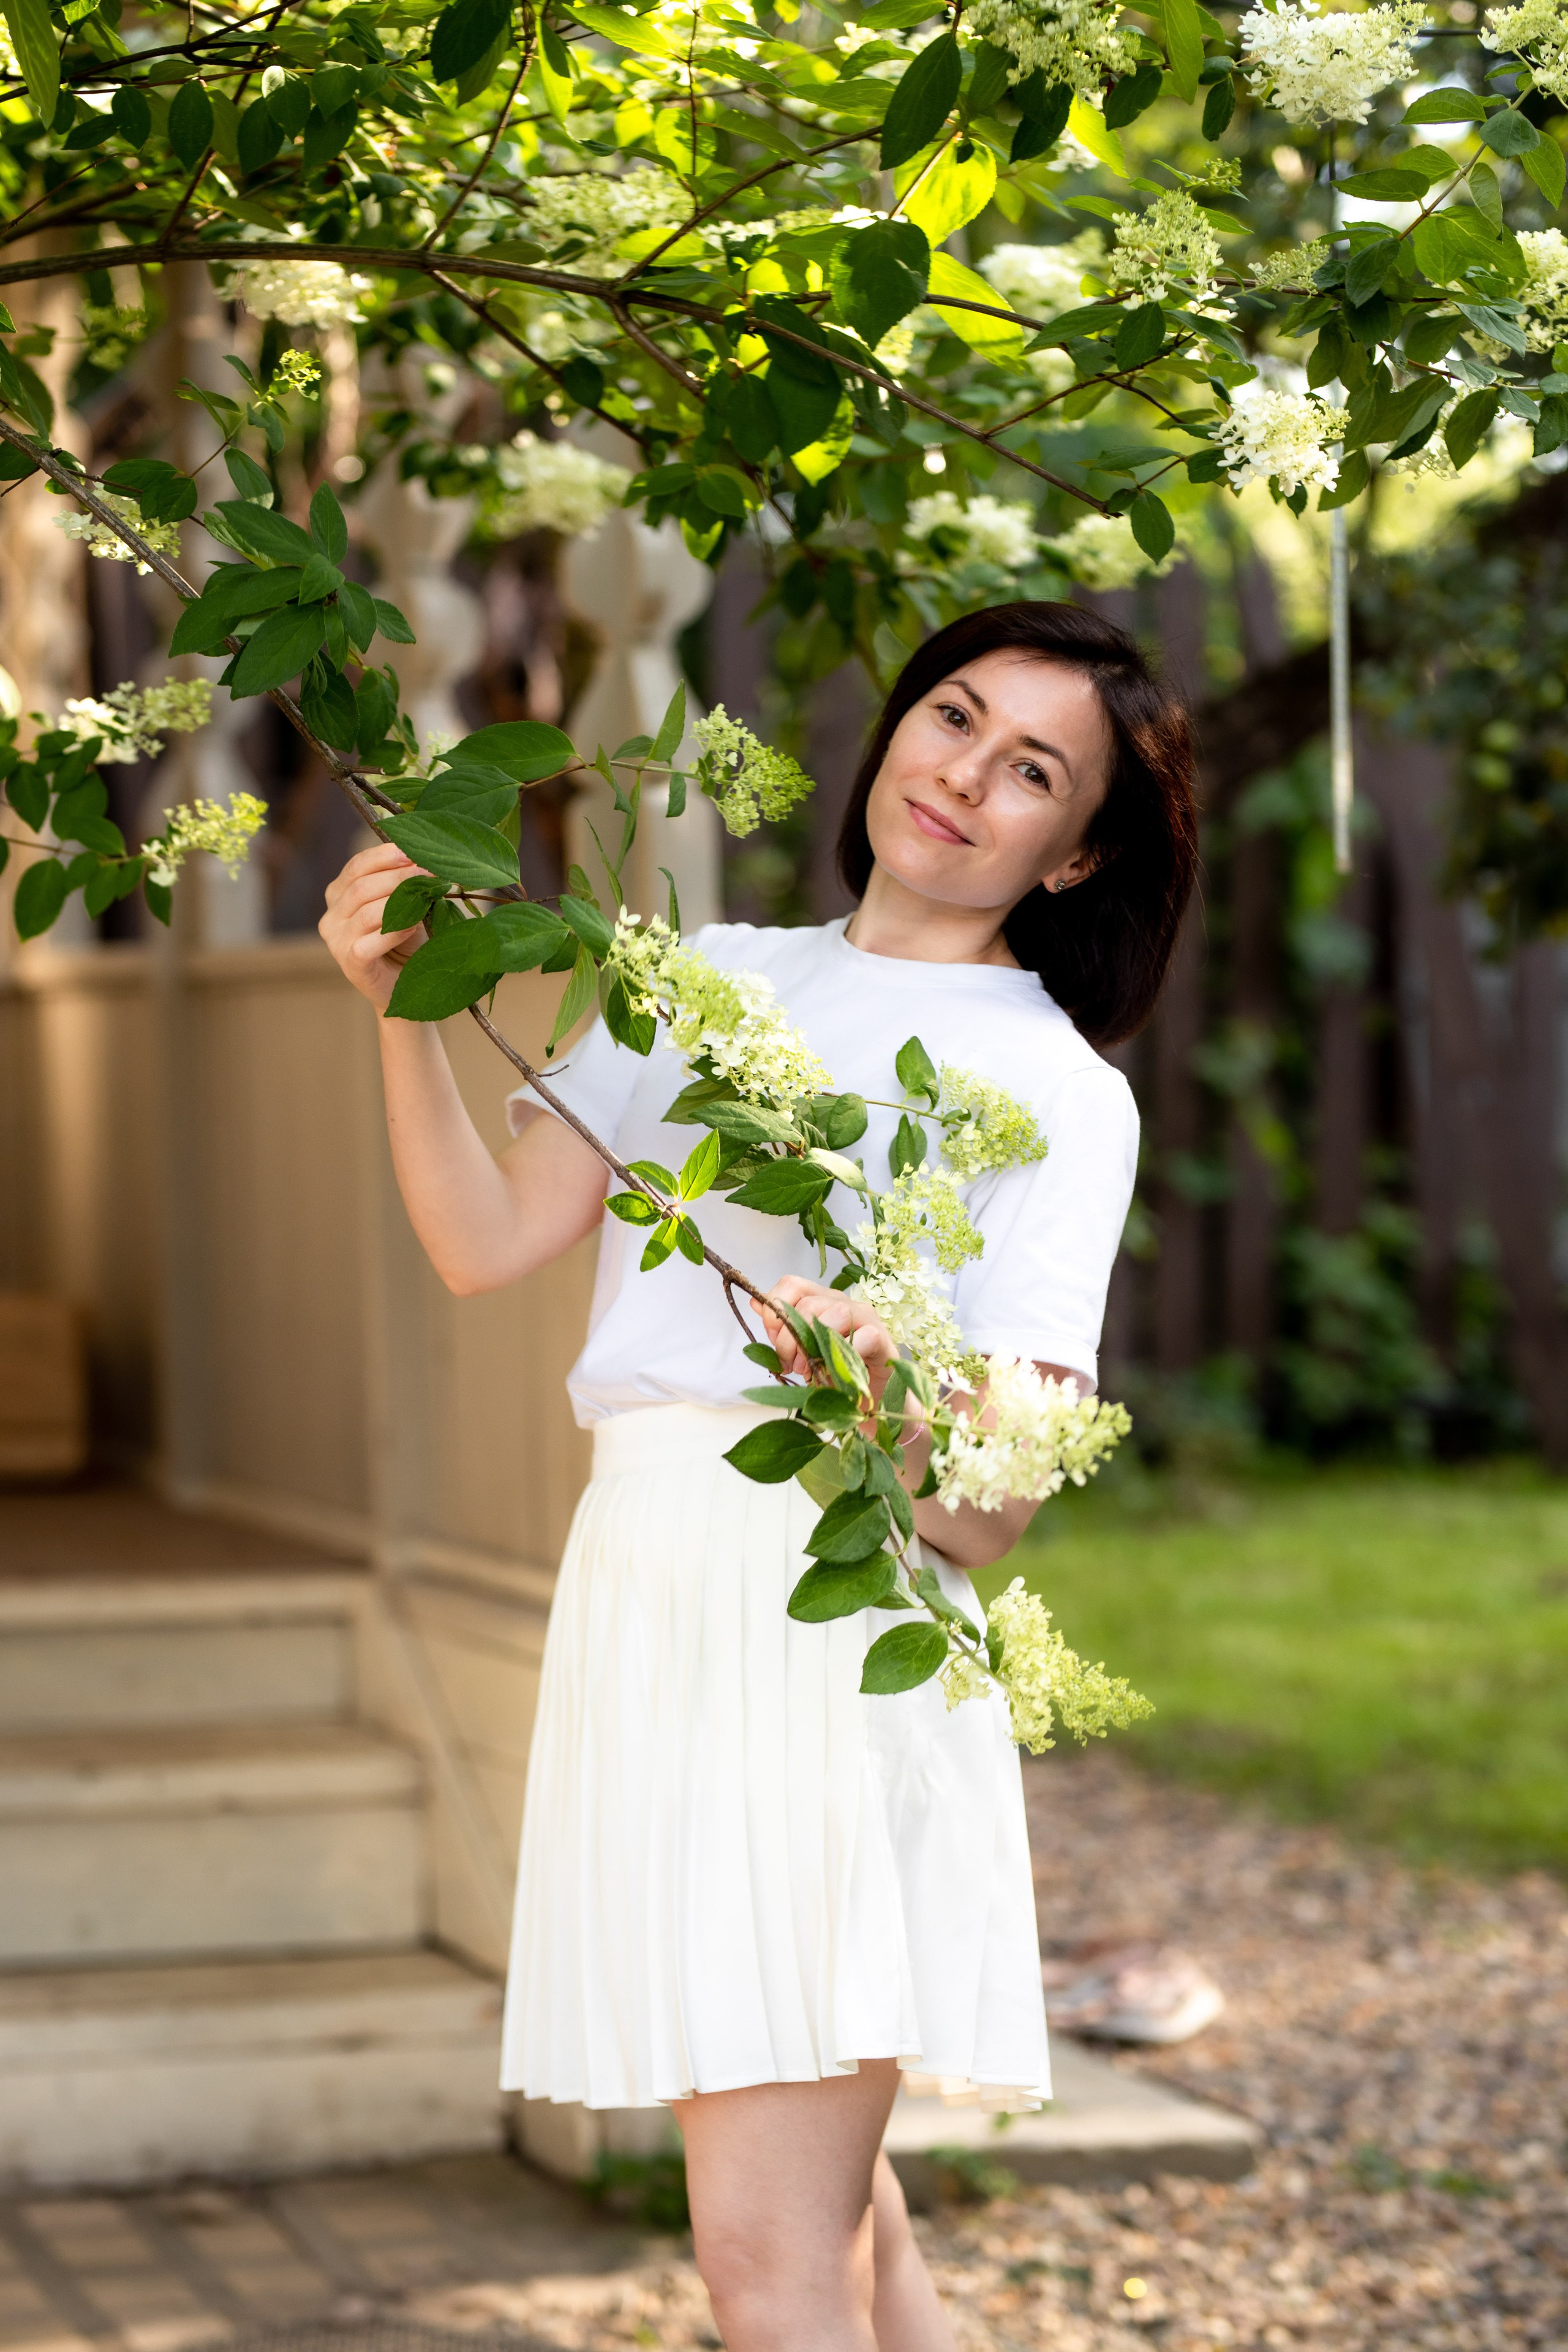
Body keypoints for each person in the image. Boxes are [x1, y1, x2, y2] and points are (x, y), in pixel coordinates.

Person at [320, 600, 1198, 2352]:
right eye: (952, 716)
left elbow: (992, 1505)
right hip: (647, 1587)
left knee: (770, 2262)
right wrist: (396, 1011)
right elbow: (491, 1241)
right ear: (895, 729)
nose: (964, 774)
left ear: (1075, 847)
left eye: (1032, 769)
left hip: (831, 1628)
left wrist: (874, 1400)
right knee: (836, 2219)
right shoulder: (703, 979)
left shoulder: (1057, 1091)